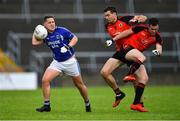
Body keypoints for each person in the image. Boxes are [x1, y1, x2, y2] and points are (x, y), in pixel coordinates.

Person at [32, 16, 91, 112]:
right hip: (57, 63)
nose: (52, 24)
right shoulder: (45, 34)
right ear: (45, 25)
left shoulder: (62, 30)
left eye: (53, 22)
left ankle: (87, 103)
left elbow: (75, 38)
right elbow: (34, 42)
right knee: (45, 80)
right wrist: (36, 31)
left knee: (79, 85)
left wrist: (68, 47)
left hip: (70, 62)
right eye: (49, 22)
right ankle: (47, 105)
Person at [100, 6, 147, 108]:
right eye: (105, 16)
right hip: (120, 52)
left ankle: (139, 103)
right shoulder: (107, 25)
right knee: (104, 72)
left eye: (108, 15)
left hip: (131, 50)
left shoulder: (125, 19)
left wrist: (136, 19)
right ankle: (118, 93)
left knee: (137, 79)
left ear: (114, 14)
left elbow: (143, 17)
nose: (106, 17)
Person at [113, 18, 163, 112]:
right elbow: (126, 32)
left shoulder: (158, 37)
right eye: (152, 29)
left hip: (136, 57)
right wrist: (113, 39)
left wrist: (158, 52)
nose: (154, 31)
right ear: (148, 26)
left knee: (144, 78)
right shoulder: (141, 27)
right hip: (127, 49)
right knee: (142, 57)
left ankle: (135, 104)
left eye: (156, 29)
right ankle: (129, 74)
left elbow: (159, 50)